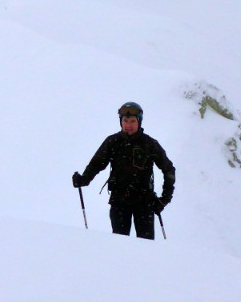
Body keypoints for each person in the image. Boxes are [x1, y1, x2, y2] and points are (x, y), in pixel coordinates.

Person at [71, 101, 175, 239]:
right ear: (120, 121)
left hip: (144, 202)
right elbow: (96, 164)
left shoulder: (149, 144)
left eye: (132, 121)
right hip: (119, 201)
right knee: (119, 244)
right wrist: (84, 179)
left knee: (146, 246)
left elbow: (169, 169)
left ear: (139, 122)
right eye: (125, 121)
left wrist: (165, 199)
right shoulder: (112, 142)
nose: (128, 125)